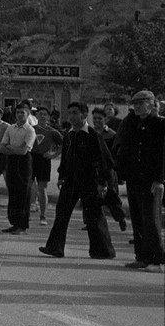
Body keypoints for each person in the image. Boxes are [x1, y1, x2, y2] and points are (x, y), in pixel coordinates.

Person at [39, 101, 116, 259]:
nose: (72, 117)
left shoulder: (93, 135)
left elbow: (105, 160)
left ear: (84, 114)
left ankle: (103, 251)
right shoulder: (69, 134)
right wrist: (61, 175)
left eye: (75, 113)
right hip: (71, 180)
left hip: (90, 181)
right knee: (62, 212)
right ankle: (55, 248)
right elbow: (65, 158)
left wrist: (102, 182)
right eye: (70, 113)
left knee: (94, 215)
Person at [114, 90, 165, 273]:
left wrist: (160, 179)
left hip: (151, 179)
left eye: (141, 103)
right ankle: (142, 257)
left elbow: (163, 154)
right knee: (137, 219)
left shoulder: (160, 124)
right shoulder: (132, 123)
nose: (136, 106)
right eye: (134, 103)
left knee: (151, 220)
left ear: (151, 104)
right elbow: (125, 147)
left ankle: (157, 260)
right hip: (135, 178)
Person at [0, 100, 36, 235]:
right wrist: (13, 149)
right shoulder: (10, 128)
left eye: (22, 112)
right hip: (11, 161)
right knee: (12, 192)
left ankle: (22, 225)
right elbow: (2, 147)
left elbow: (24, 151)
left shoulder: (30, 130)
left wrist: (10, 147)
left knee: (23, 193)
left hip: (24, 163)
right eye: (18, 112)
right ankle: (14, 223)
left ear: (28, 114)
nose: (19, 115)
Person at [89, 108, 127, 231]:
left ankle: (121, 218)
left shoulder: (112, 134)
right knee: (92, 197)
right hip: (93, 170)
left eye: (99, 118)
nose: (97, 121)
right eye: (94, 118)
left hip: (108, 170)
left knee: (112, 196)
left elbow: (116, 154)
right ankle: (92, 222)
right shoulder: (89, 133)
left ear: (106, 119)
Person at [29, 106, 63, 226]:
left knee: (42, 188)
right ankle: (27, 213)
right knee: (29, 186)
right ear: (36, 116)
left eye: (45, 114)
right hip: (31, 159)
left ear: (48, 117)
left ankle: (43, 216)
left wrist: (53, 155)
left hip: (44, 160)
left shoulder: (52, 131)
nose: (42, 116)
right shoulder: (31, 129)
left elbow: (63, 145)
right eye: (40, 114)